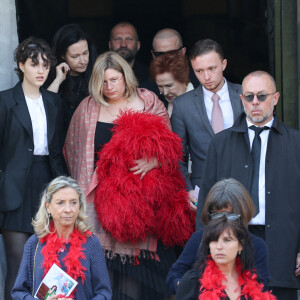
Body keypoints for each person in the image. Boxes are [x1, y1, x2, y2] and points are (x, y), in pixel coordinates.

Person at [64, 51, 195, 299]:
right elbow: (72, 150)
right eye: (103, 81)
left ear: (126, 77)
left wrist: (154, 161)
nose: (109, 86)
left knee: (134, 276)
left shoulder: (147, 102)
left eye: (114, 79)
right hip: (97, 201)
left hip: (140, 202)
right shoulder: (87, 108)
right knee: (103, 274)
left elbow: (171, 148)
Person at [197, 71, 300, 299]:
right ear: (241, 99)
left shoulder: (296, 143)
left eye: (262, 96)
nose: (255, 102)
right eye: (249, 96)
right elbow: (206, 201)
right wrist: (205, 250)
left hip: (283, 244)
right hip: (232, 240)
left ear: (275, 98)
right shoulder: (220, 143)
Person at [0, 37, 68, 300]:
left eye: (45, 64)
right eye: (34, 64)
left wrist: (65, 188)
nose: (41, 70)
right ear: (21, 65)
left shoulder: (54, 102)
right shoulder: (5, 102)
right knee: (17, 265)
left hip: (47, 184)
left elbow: (57, 150)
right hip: (14, 187)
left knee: (52, 264)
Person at [12, 176, 112, 300]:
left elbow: (104, 292)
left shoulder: (91, 243)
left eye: (73, 202)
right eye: (60, 203)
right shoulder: (34, 243)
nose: (68, 209)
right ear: (48, 207)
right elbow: (18, 292)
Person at [171, 38, 244, 210]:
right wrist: (187, 190)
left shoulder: (244, 94)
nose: (206, 77)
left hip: (244, 186)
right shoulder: (183, 105)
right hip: (203, 192)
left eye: (212, 68)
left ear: (224, 64)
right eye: (199, 71)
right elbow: (177, 156)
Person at [166, 178, 270, 295]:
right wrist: (186, 286)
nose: (222, 220)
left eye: (229, 215)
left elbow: (261, 287)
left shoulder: (257, 245)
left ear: (242, 213)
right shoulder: (198, 238)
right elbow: (174, 275)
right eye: (216, 214)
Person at [175, 215, 276, 300]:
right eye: (214, 240)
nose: (219, 246)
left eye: (227, 240)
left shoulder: (253, 279)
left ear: (240, 245)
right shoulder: (193, 281)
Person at [47, 23, 97, 128]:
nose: (83, 61)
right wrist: (58, 80)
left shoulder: (98, 74)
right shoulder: (49, 76)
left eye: (85, 53)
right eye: (75, 56)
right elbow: (44, 109)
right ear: (62, 55)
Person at [150, 52, 193, 117]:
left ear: (184, 79)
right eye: (160, 86)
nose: (165, 92)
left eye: (169, 86)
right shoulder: (156, 104)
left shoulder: (201, 102)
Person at [109, 22, 149, 87]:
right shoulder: (99, 75)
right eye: (117, 39)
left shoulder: (149, 77)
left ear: (138, 45)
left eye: (129, 39)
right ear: (110, 45)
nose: (123, 44)